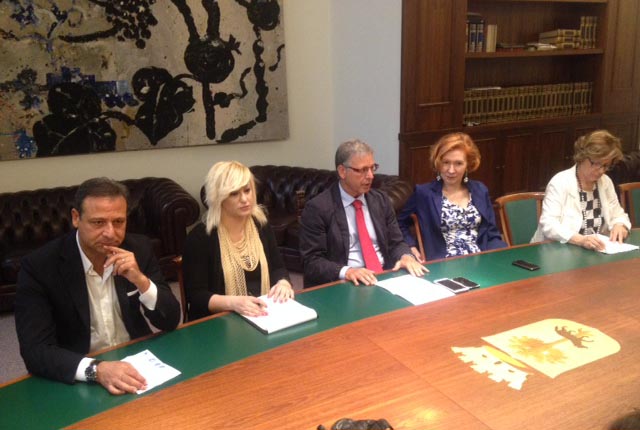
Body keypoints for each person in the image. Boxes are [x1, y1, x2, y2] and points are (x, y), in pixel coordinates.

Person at [14, 177, 181, 395]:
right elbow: (35, 351)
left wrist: (141, 281)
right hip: (80, 371)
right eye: (98, 222)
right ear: (76, 218)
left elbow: (170, 320)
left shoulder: (138, 248)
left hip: (136, 360)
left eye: (118, 222)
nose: (111, 233)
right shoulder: (39, 266)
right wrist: (97, 370)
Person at [299, 138, 427, 288]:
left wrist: (405, 256)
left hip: (384, 277)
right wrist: (347, 271)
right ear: (342, 171)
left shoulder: (380, 201)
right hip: (346, 282)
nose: (371, 176)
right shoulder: (318, 208)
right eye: (363, 170)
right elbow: (311, 261)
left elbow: (396, 242)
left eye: (373, 168)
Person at [182, 161, 294, 321]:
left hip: (263, 314)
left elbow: (277, 267)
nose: (244, 199)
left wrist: (283, 283)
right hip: (219, 321)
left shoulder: (261, 225)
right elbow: (196, 296)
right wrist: (233, 303)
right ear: (219, 197)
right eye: (234, 194)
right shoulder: (200, 238)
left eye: (247, 190)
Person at [397, 132, 506, 261]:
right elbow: (399, 223)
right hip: (443, 263)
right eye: (446, 162)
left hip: (481, 260)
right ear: (438, 163)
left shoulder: (480, 190)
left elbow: (492, 233)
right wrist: (410, 246)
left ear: (468, 165)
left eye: (458, 163)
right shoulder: (424, 193)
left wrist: (500, 256)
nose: (451, 170)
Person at [532, 130, 630, 250]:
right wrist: (581, 240)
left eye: (606, 165)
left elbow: (618, 214)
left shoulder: (605, 182)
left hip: (595, 251)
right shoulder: (560, 182)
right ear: (582, 157)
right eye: (596, 163)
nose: (601, 170)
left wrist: (620, 225)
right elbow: (549, 224)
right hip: (556, 251)